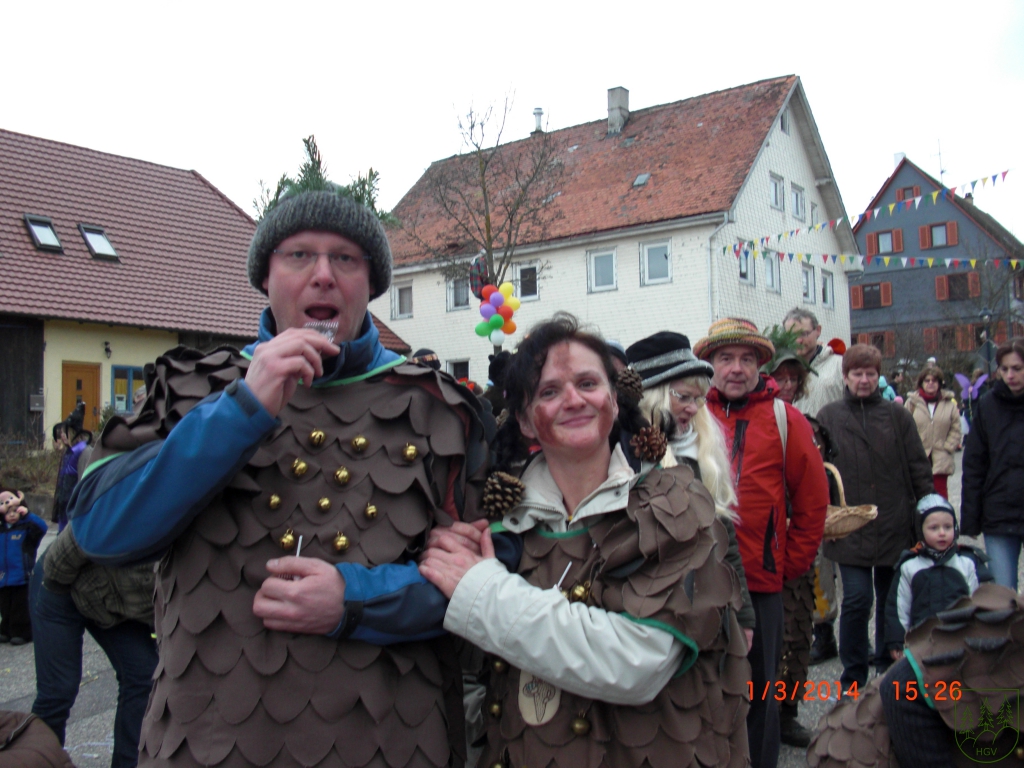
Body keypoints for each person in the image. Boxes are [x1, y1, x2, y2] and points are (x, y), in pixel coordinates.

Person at [65, 190, 493, 767]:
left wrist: (356, 601)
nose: (323, 274)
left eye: (346, 258)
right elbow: (99, 530)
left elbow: (486, 579)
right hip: (207, 742)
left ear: (371, 284)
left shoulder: (439, 408)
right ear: (265, 277)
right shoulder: (193, 386)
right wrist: (240, 410)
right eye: (299, 255)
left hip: (389, 739)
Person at [420, 314, 752, 768]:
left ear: (614, 401)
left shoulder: (675, 506)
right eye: (549, 391)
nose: (573, 400)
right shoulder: (500, 525)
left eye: (588, 383)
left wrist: (483, 592)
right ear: (525, 421)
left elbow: (638, 661)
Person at [694, 318, 829, 768]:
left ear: (759, 366)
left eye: (746, 359)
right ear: (710, 365)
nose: (736, 368)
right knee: (702, 687)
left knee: (758, 691)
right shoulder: (693, 417)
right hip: (698, 580)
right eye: (726, 358)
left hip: (761, 583)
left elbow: (812, 501)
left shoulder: (784, 420)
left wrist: (787, 564)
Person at [816, 343, 933, 695]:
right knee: (856, 599)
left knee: (889, 599)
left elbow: (917, 465)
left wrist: (929, 509)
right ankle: (853, 675)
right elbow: (818, 470)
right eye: (857, 374)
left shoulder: (897, 416)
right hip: (849, 525)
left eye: (870, 374)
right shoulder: (829, 416)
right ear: (846, 377)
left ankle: (886, 666)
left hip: (893, 520)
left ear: (878, 376)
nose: (864, 380)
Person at [626, 331, 755, 645]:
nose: (694, 408)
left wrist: (744, 616)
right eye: (683, 397)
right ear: (652, 395)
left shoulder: (700, 455)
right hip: (648, 616)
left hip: (706, 608)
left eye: (698, 399)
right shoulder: (626, 458)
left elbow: (724, 539)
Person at [30, 527, 159, 768]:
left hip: (116, 603)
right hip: (61, 582)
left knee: (143, 674)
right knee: (58, 690)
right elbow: (79, 536)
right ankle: (39, 761)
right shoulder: (152, 510)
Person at [782, 309, 844, 667]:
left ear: (817, 331)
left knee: (836, 552)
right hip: (796, 470)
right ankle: (821, 630)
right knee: (812, 555)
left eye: (803, 333)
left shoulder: (836, 368)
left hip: (830, 465)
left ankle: (843, 626)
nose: (798, 340)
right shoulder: (782, 369)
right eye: (791, 334)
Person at [883, 494, 989, 662]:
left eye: (948, 527)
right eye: (934, 528)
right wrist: (897, 641)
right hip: (921, 643)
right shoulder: (909, 566)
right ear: (920, 530)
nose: (942, 533)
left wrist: (982, 637)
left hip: (961, 641)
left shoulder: (967, 562)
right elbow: (899, 607)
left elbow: (980, 601)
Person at [961, 337, 1024, 590]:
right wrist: (970, 518)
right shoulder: (988, 405)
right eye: (1004, 369)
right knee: (1002, 593)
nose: (1010, 375)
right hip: (999, 513)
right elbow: (974, 464)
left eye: (1017, 368)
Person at [904, 366, 961, 499]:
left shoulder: (949, 404)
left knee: (940, 496)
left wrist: (948, 447)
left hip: (941, 456)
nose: (930, 383)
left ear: (940, 383)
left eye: (934, 381)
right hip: (918, 457)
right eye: (927, 380)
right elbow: (904, 427)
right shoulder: (912, 403)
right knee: (920, 496)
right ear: (921, 383)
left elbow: (956, 428)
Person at [0, 489, 47, 644]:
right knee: (5, 605)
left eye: (15, 511)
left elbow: (42, 528)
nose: (12, 515)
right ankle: (5, 630)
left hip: (22, 575)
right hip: (3, 577)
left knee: (20, 606)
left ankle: (22, 632)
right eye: (8, 512)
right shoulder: (2, 530)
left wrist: (28, 515)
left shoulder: (26, 528)